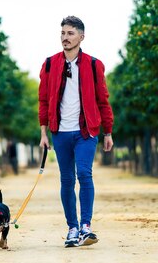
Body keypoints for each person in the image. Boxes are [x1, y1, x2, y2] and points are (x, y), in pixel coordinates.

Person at [38, 16, 114, 248]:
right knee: (67, 179)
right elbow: (43, 100)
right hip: (59, 132)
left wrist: (107, 132)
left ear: (81, 37)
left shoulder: (93, 65)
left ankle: (86, 226)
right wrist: (43, 133)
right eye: (62, 33)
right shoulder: (50, 64)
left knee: (84, 174)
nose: (65, 37)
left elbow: (103, 99)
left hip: (86, 131)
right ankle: (72, 228)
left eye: (70, 33)